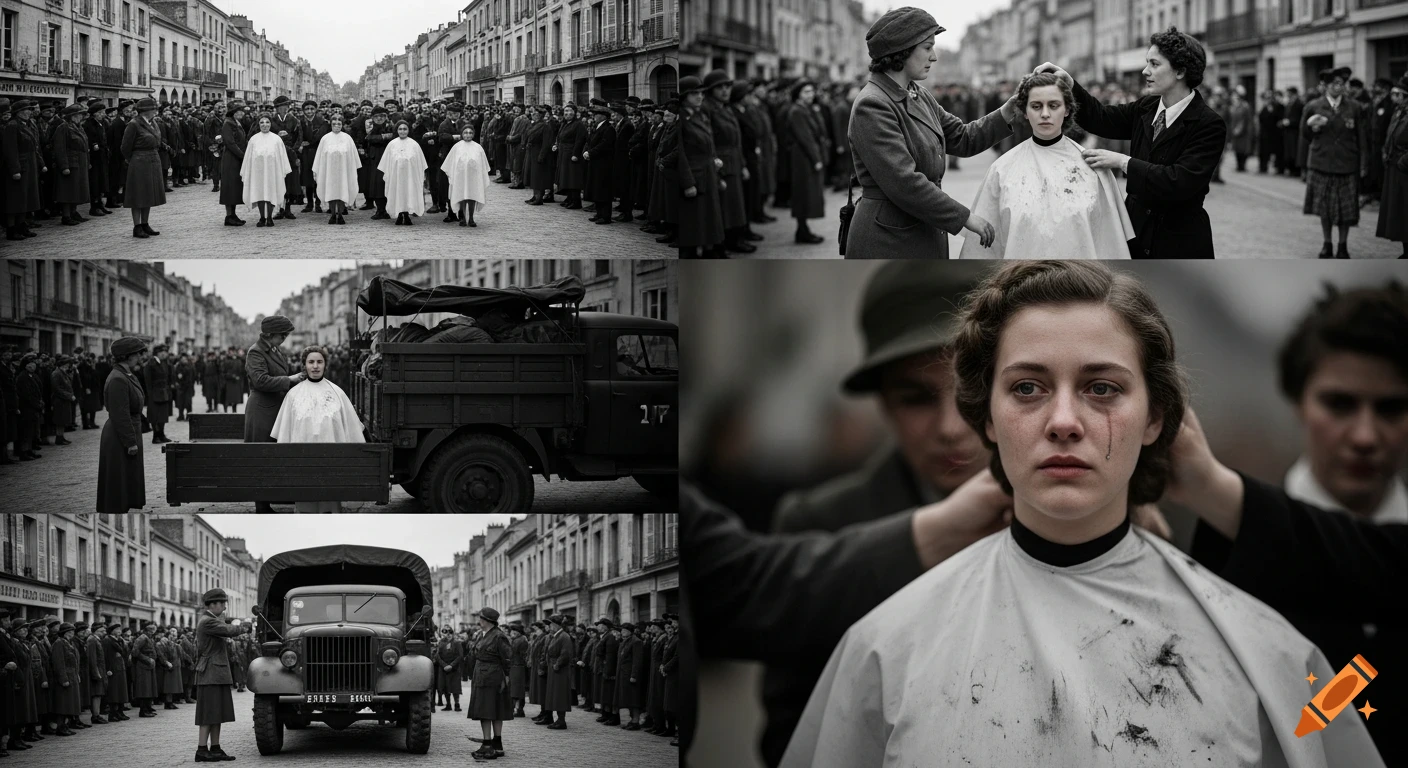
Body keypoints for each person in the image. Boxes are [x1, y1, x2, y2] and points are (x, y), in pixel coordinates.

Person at [777, 261, 1384, 768]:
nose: (1064, 421)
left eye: (1102, 388)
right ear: (985, 417)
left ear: (1155, 419)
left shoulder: (1271, 654)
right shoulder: (884, 649)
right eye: (1027, 388)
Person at [1036, 29, 1227, 258]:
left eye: (1154, 64)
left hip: (1178, 242)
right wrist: (1070, 85)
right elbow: (1102, 119)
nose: (1146, 71)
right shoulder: (1146, 107)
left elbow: (1180, 181)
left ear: (1180, 71)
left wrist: (1122, 161)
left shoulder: (1209, 124)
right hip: (1135, 234)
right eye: (1147, 63)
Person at [959, 73, 1134, 258]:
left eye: (1053, 105)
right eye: (1036, 106)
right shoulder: (1002, 170)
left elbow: (1111, 247)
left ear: (1067, 109)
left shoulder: (1094, 168)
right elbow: (983, 254)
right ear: (1025, 111)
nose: (1045, 114)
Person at [269, 345, 365, 512]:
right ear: (304, 365)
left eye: (319, 362)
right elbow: (284, 432)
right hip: (303, 461)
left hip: (331, 462)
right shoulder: (293, 394)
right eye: (311, 362)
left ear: (325, 364)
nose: (315, 366)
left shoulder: (337, 393)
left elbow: (351, 430)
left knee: (330, 505)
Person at [1302, 66, 1371, 259]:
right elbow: (1304, 134)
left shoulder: (1354, 107)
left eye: (1341, 84)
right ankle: (1327, 244)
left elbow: (1362, 137)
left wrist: (1364, 163)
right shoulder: (1313, 106)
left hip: (1347, 164)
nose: (1338, 87)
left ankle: (1342, 245)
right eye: (1334, 84)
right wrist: (1313, 128)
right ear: (1325, 86)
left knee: (1346, 211)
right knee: (1325, 209)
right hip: (1322, 163)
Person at [244, 316, 306, 512]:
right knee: (261, 458)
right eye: (282, 334)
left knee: (273, 457)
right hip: (262, 411)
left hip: (275, 409)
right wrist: (290, 379)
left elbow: (276, 374)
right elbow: (260, 380)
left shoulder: (274, 349)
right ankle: (261, 506)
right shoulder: (255, 352)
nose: (285, 337)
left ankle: (271, 498)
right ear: (270, 334)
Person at [193, 589, 252, 763]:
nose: (225, 606)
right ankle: (202, 749)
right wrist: (245, 626)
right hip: (210, 673)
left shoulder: (212, 620)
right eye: (222, 603)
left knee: (217, 713)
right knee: (208, 714)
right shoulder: (207, 621)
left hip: (216, 673)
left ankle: (216, 748)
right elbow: (228, 630)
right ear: (213, 604)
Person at [96, 338, 147, 513]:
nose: (141, 357)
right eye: (138, 353)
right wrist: (130, 441)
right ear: (128, 356)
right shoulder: (118, 378)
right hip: (120, 435)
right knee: (118, 479)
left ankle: (123, 506)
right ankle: (117, 509)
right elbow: (120, 414)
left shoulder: (126, 374)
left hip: (128, 430)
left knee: (126, 477)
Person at [784, 80, 830, 247]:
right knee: (803, 193)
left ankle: (802, 230)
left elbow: (819, 131)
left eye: (811, 91)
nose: (811, 95)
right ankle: (801, 230)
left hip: (806, 156)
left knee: (807, 193)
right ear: (798, 95)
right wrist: (816, 159)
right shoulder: (797, 111)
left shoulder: (807, 109)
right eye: (806, 92)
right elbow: (806, 138)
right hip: (802, 158)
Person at [468, 608, 513, 760]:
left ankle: (489, 744)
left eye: (481, 618)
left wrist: (506, 676)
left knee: (488, 709)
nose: (479, 621)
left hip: (491, 676)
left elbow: (507, 658)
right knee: (490, 709)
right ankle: (496, 744)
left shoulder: (498, 636)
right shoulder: (483, 634)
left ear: (487, 620)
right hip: (483, 673)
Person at [120, 98, 166, 239]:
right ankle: (137, 226)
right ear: (146, 111)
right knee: (138, 195)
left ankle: (145, 223)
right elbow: (125, 147)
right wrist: (133, 159)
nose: (155, 111)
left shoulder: (153, 123)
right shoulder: (133, 125)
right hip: (139, 162)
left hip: (152, 159)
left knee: (148, 194)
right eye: (153, 109)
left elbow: (157, 140)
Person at [3, 100, 45, 240]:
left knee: (25, 198)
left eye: (30, 110)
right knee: (15, 199)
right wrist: (15, 169)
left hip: (29, 166)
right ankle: (11, 229)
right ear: (18, 112)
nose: (29, 112)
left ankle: (22, 225)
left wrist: (39, 163)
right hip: (20, 167)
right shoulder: (12, 126)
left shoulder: (24, 125)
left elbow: (34, 147)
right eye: (27, 110)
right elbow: (11, 150)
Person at [241, 115, 294, 228]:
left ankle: (269, 217)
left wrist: (282, 170)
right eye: (262, 122)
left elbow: (282, 156)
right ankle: (262, 217)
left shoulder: (276, 139)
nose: (265, 125)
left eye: (267, 122)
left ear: (271, 124)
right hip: (258, 172)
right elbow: (249, 157)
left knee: (270, 193)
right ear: (258, 124)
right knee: (260, 193)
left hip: (272, 172)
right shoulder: (253, 139)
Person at [1377, 75, 1408, 258]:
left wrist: (1404, 161)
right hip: (1396, 168)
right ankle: (1406, 250)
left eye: (1401, 95)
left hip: (1404, 167)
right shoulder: (1399, 112)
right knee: (1400, 213)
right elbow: (1390, 135)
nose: (1397, 99)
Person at [310, 114, 360, 225]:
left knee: (342, 191)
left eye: (339, 124)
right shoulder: (325, 139)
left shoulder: (347, 139)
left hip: (343, 172)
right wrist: (317, 170)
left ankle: (341, 214)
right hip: (329, 172)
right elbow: (319, 156)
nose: (336, 126)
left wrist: (351, 170)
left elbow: (353, 157)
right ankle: (333, 213)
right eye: (334, 124)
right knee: (331, 191)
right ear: (331, 125)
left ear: (342, 125)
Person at [378, 120, 428, 225]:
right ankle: (399, 214)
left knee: (408, 193)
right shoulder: (392, 144)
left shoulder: (414, 145)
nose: (402, 131)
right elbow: (386, 162)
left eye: (405, 129)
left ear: (408, 130)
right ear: (397, 130)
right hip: (396, 176)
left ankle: (407, 214)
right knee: (398, 193)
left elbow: (420, 163)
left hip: (410, 176)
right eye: (400, 129)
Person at [441, 125, 490, 227]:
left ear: (473, 134)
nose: (468, 135)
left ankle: (471, 218)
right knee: (462, 196)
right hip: (461, 176)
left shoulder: (478, 148)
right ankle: (463, 217)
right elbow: (450, 162)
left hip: (473, 177)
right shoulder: (457, 147)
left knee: (472, 196)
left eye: (470, 133)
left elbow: (483, 164)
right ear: (462, 134)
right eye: (466, 133)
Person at [51, 103, 91, 226]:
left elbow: (85, 146)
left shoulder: (79, 127)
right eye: (79, 115)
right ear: (72, 116)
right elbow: (59, 148)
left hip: (80, 162)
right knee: (68, 190)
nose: (81, 117)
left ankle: (74, 212)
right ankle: (66, 215)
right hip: (71, 163)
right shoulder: (63, 128)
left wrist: (88, 162)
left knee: (77, 190)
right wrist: (64, 166)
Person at [584, 103, 617, 225]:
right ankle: (599, 213)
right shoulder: (597, 127)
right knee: (597, 188)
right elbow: (591, 141)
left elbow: (605, 145)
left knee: (603, 189)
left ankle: (606, 216)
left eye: (596, 114)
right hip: (596, 162)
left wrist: (591, 153)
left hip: (604, 164)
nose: (594, 117)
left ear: (603, 116)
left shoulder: (608, 129)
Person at [219, 101, 249, 226]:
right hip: (231, 159)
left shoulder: (236, 123)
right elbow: (230, 143)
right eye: (239, 110)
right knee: (230, 187)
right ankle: (229, 216)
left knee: (235, 187)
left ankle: (233, 214)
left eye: (242, 110)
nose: (242, 113)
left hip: (236, 159)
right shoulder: (228, 123)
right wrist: (243, 156)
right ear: (233, 112)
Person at [543, 614, 574, 731]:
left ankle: (561, 720)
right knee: (555, 695)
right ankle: (559, 719)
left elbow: (566, 653)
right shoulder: (556, 636)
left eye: (550, 624)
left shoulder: (564, 636)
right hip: (554, 669)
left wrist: (557, 664)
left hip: (560, 670)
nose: (549, 627)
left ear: (556, 625)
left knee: (560, 695)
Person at [298, 100, 328, 213]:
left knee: (318, 178)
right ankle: (309, 203)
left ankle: (318, 203)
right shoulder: (300, 122)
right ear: (303, 111)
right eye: (307, 109)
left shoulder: (322, 122)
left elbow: (322, 137)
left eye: (312, 109)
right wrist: (301, 144)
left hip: (318, 152)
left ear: (315, 109)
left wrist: (308, 142)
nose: (309, 111)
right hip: (305, 153)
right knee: (308, 178)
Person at [141, 346, 173, 444]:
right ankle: (156, 436)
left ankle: (162, 434)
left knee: (163, 416)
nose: (164, 353)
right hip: (154, 395)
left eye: (165, 351)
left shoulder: (164, 363)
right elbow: (147, 382)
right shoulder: (150, 364)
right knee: (155, 416)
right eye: (161, 352)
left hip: (163, 393)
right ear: (157, 353)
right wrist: (150, 395)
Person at [130, 623, 158, 717]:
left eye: (153, 630)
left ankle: (148, 708)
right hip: (143, 666)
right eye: (151, 630)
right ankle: (143, 710)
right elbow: (135, 652)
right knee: (144, 689)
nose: (152, 632)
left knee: (149, 689)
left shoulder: (149, 638)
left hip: (149, 666)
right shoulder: (142, 638)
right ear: (146, 630)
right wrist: (147, 659)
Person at [508, 622, 529, 717]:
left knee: (517, 690)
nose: (511, 633)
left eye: (513, 631)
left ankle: (518, 709)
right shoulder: (517, 640)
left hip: (518, 666)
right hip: (515, 666)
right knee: (515, 689)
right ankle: (515, 708)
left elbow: (518, 654)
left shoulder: (520, 641)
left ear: (518, 632)